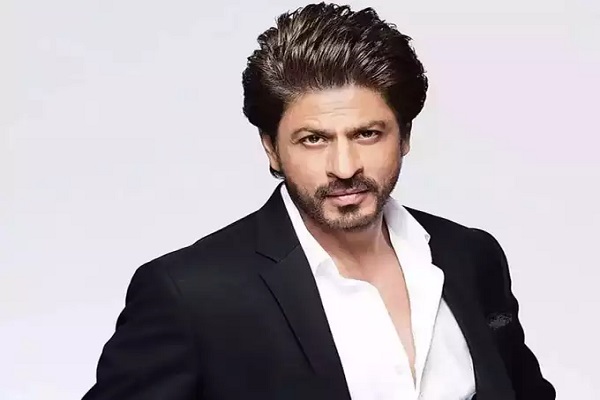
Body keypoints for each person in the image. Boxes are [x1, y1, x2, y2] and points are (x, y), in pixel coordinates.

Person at [82, 3, 555, 400]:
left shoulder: (470, 256)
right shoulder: (190, 293)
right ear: (271, 148)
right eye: (313, 139)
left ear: (404, 136)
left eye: (367, 134)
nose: (344, 166)